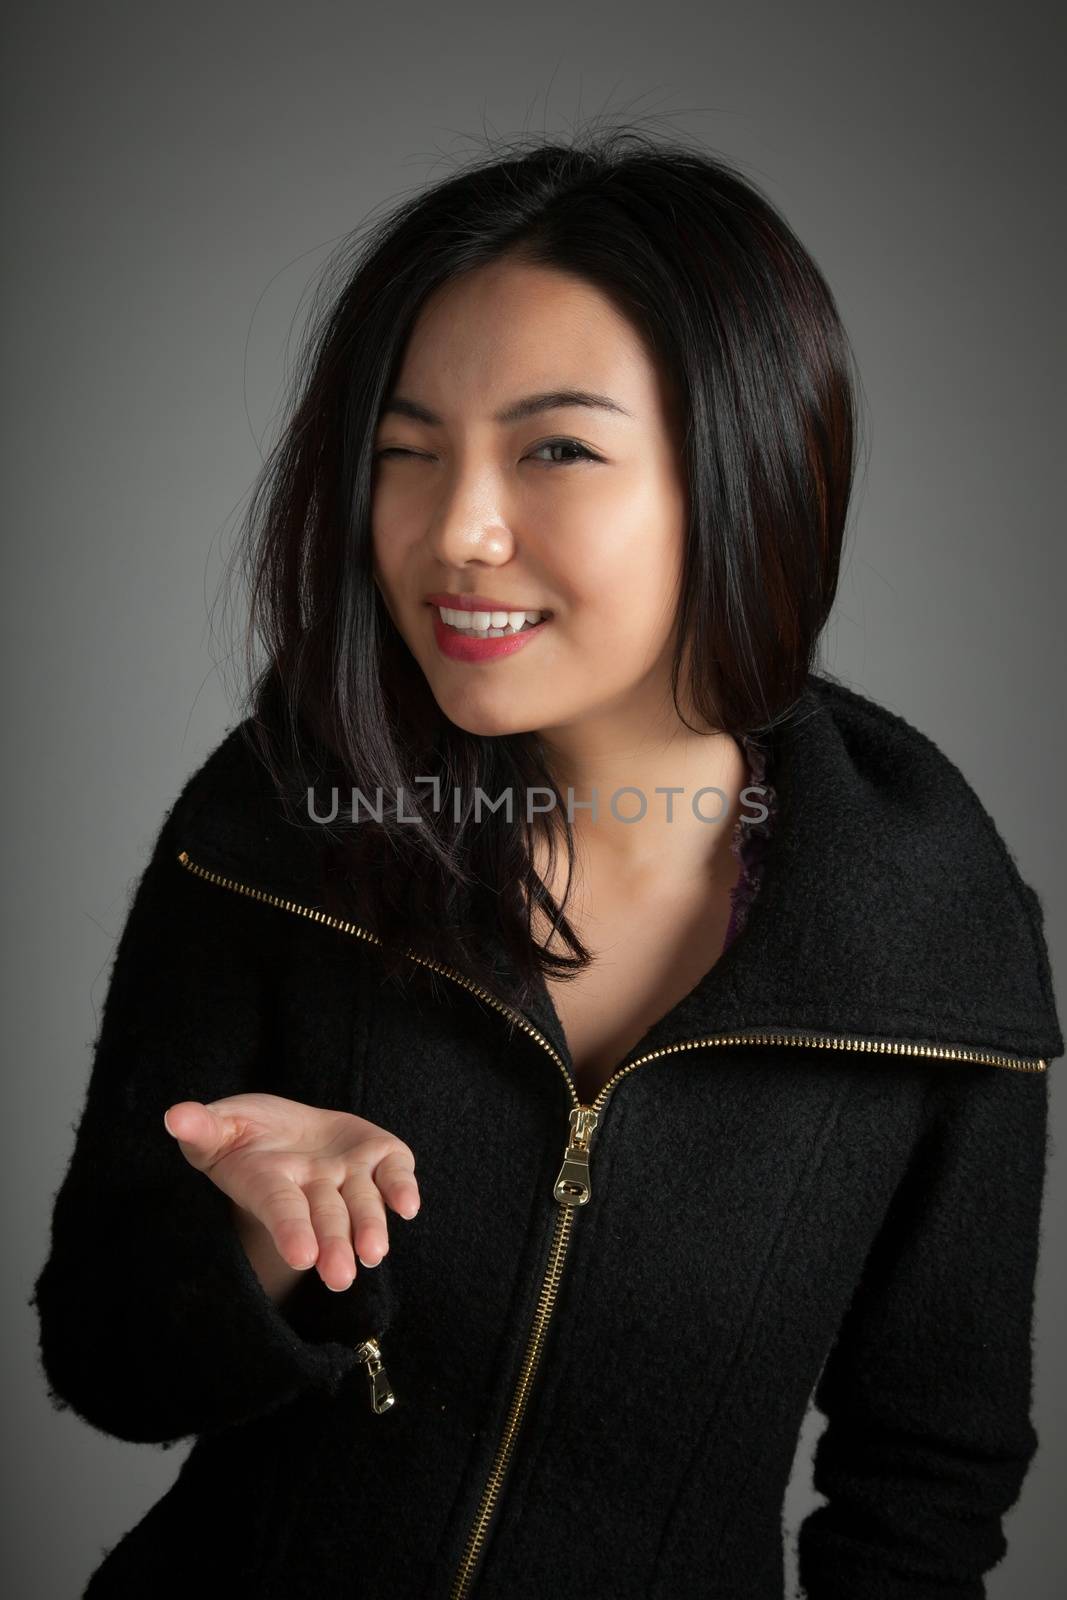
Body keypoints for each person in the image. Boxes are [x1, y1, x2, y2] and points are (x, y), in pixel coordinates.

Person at [30, 125, 1062, 1600]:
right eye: (406, 453)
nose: (455, 531)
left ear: (744, 470)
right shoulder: (274, 832)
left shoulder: (934, 937)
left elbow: (930, 1483)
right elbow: (106, 1356)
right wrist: (263, 1250)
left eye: (555, 449)